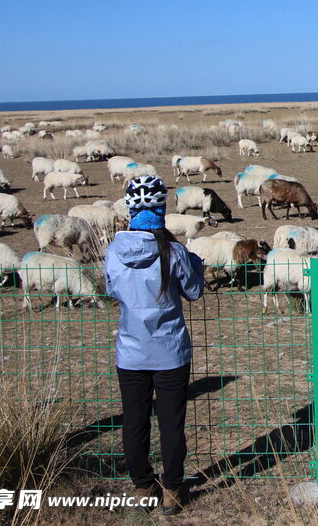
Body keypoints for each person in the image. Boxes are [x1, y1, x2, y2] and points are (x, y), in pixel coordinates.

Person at [105, 175, 205, 515]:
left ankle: (143, 486)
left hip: (131, 352)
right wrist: (195, 266)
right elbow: (192, 292)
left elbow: (111, 291)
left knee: (134, 421)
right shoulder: (174, 251)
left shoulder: (114, 251)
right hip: (170, 352)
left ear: (131, 209)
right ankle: (173, 491)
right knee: (170, 423)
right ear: (161, 209)